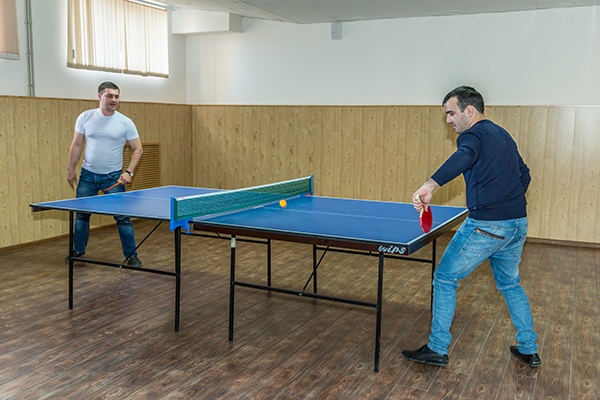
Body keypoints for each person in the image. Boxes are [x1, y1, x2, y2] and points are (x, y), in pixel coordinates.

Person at [402, 86, 541, 368]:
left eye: (451, 113)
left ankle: (436, 348)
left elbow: (463, 157)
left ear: (469, 110)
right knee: (510, 284)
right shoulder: (502, 134)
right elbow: (524, 174)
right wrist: (509, 201)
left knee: (444, 278)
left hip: (487, 225)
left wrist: (430, 185)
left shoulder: (472, 135)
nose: (448, 120)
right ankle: (529, 348)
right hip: (517, 224)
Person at [66, 81, 143, 268]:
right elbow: (77, 144)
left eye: (116, 96)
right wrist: (70, 168)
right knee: (82, 215)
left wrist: (129, 172)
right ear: (100, 96)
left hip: (113, 178)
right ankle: (78, 250)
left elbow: (138, 149)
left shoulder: (125, 122)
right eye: (110, 96)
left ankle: (131, 255)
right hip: (87, 176)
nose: (114, 100)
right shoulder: (85, 117)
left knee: (123, 218)